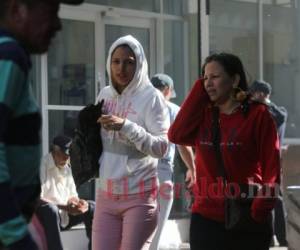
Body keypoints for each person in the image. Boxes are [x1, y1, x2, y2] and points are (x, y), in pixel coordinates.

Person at [168, 53, 281, 250]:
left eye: (215, 77)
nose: (208, 83)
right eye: (205, 78)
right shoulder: (203, 114)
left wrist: (262, 207)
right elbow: (176, 135)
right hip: (205, 218)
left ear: (235, 79)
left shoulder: (257, 115)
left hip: (246, 215)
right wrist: (199, 88)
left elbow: (272, 165)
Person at [0, 0, 84, 249]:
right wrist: (14, 233)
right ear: (17, 10)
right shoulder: (8, 56)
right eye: (50, 12)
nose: (58, 24)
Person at [92, 35, 169, 250]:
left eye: (129, 62)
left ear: (140, 64)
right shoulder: (105, 94)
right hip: (106, 194)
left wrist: (126, 126)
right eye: (116, 61)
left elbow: (162, 147)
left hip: (139, 196)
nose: (121, 68)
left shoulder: (151, 97)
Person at [149, 73, 196, 250]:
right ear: (168, 90)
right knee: (157, 227)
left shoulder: (138, 107)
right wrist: (192, 168)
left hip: (135, 173)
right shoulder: (173, 110)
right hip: (162, 172)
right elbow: (183, 145)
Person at [35, 135, 95, 250]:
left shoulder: (67, 167)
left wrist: (78, 203)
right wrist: (66, 207)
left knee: (92, 207)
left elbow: (72, 195)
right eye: (65, 154)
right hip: (47, 218)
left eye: (69, 155)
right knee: (50, 209)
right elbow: (36, 198)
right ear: (55, 150)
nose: (67, 158)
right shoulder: (41, 165)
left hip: (64, 215)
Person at [249, 80, 288, 247]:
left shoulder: (275, 111)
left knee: (274, 199)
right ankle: (267, 235)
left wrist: (265, 103)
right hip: (252, 163)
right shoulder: (249, 110)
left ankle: (280, 236)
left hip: (269, 163)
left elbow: (279, 118)